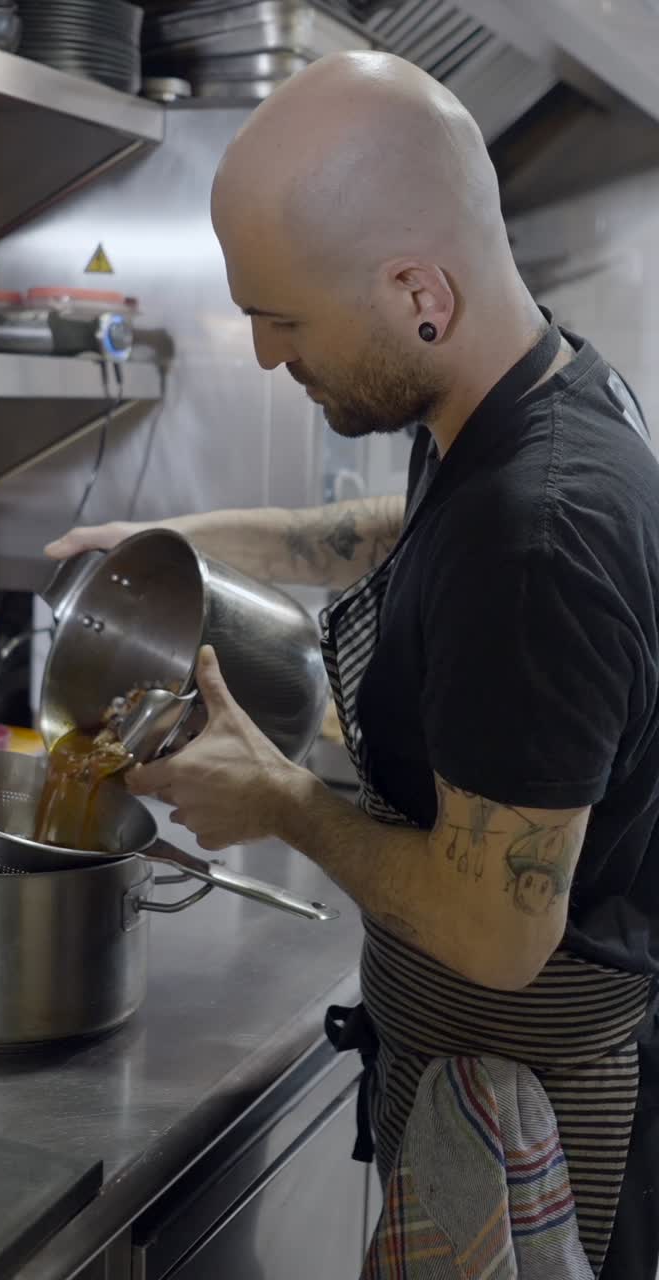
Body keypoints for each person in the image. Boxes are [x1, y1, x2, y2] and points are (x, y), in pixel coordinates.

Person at [47, 52, 659, 1278]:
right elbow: (394, 535)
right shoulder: (520, 395)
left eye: (283, 317)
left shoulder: (540, 538)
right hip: (460, 1064)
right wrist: (175, 546)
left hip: (535, 1115)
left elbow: (499, 935)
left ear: (417, 293)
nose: (270, 355)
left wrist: (280, 800)